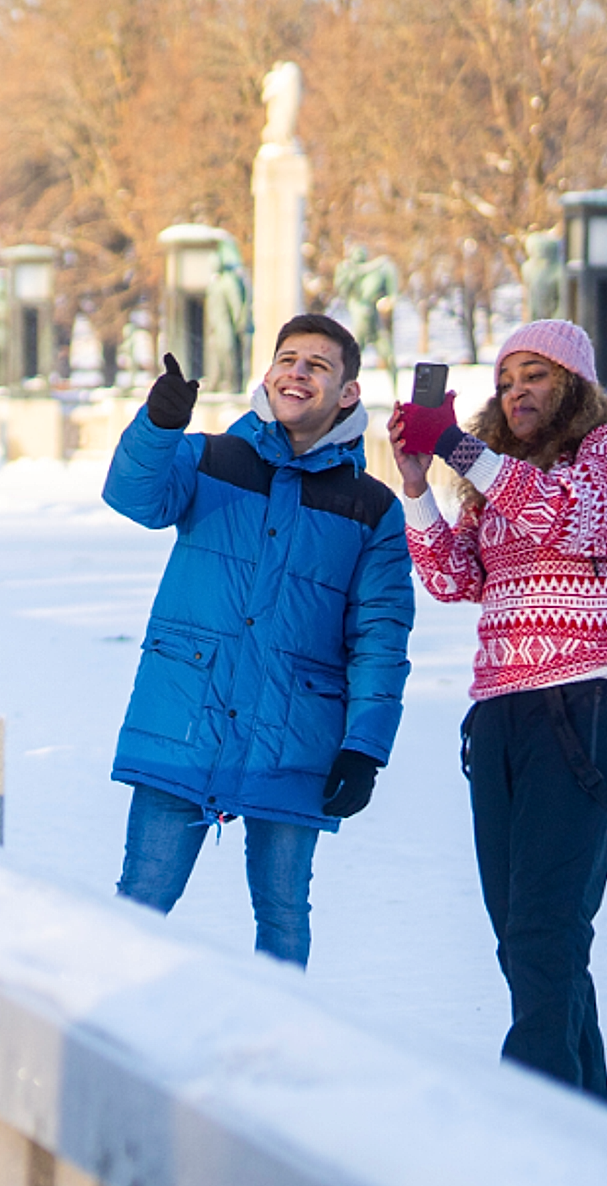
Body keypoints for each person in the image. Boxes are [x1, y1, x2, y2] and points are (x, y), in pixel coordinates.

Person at [388, 319, 607, 1104]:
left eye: (535, 375)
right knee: (527, 940)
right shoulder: (503, 479)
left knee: (547, 933)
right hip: (502, 709)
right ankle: (589, 1127)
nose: (517, 392)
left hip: (583, 702)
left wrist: (463, 449)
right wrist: (418, 485)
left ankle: (532, 1133)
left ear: (573, 384)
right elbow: (453, 577)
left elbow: (570, 518)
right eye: (506, 380)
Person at [104, 313, 413, 967]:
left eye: (318, 365)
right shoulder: (209, 456)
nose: (297, 372)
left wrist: (365, 747)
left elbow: (381, 635)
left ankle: (280, 1055)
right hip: (186, 715)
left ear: (348, 393)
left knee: (283, 914)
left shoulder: (373, 508)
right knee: (140, 900)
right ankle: (106, 1040)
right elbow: (134, 496)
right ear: (267, 374)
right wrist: (159, 425)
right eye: (288, 359)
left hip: (294, 734)